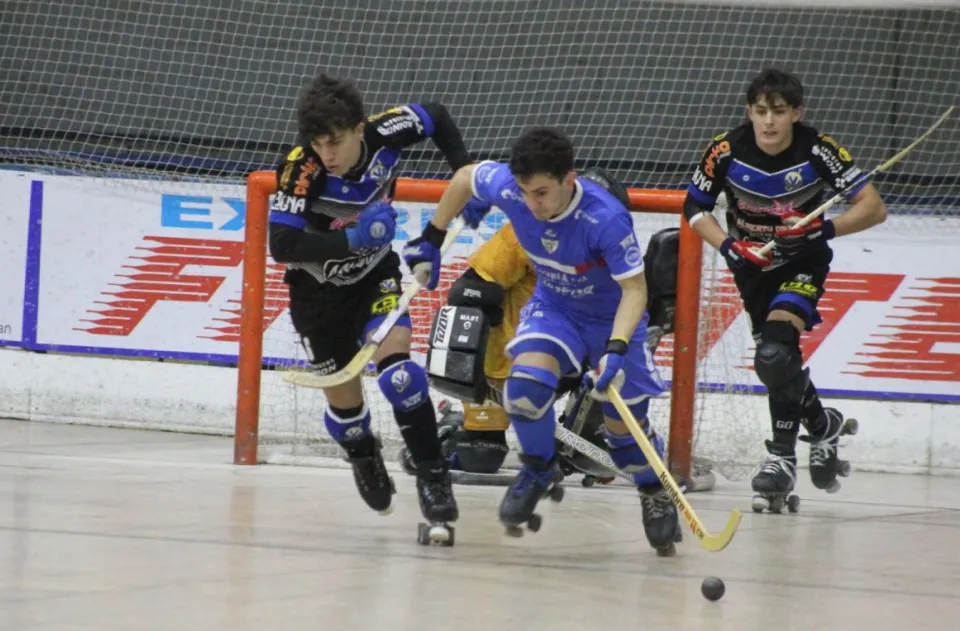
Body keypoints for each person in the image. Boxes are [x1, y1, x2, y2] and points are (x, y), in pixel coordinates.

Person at [404, 127, 681, 555]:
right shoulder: (513, 191)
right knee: (523, 393)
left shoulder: (605, 219)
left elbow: (635, 292)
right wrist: (432, 238)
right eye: (523, 193)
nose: (531, 205)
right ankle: (538, 469)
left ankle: (653, 490)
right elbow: (463, 178)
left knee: (626, 443)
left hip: (611, 320)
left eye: (541, 193)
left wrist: (616, 349)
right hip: (555, 308)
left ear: (570, 178)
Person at [267, 73, 490, 542]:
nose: (327, 153)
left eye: (336, 142)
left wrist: (464, 176)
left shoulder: (387, 130)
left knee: (400, 376)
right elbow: (282, 243)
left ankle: (432, 476)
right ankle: (363, 455)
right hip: (318, 293)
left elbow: (437, 114)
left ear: (359, 129)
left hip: (375, 276)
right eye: (318, 142)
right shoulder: (300, 167)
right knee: (347, 412)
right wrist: (350, 237)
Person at [683, 68, 885, 513]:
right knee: (776, 363)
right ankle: (822, 422)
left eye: (779, 112)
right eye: (760, 111)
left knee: (775, 352)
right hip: (750, 268)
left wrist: (820, 230)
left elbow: (874, 208)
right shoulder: (725, 150)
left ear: (797, 112)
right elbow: (694, 207)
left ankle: (780, 457)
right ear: (748, 112)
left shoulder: (819, 150)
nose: (769, 122)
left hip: (802, 263)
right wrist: (731, 247)